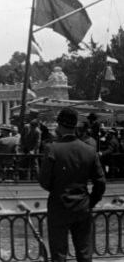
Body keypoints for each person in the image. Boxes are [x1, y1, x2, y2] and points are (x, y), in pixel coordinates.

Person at [39, 107, 106, 262]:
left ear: (59, 125)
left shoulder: (52, 149)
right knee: (84, 253)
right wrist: (91, 201)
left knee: (59, 254)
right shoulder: (89, 150)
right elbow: (100, 182)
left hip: (59, 206)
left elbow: (44, 181)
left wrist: (56, 190)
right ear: (75, 125)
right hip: (82, 205)